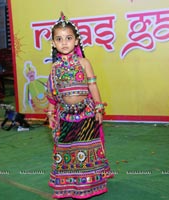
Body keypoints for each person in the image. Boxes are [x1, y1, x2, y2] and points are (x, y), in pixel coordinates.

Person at [46, 12, 114, 199]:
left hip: (86, 114)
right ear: (53, 43)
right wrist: (51, 113)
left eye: (68, 38)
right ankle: (69, 184)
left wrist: (99, 109)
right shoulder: (54, 68)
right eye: (59, 39)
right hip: (65, 116)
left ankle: (89, 185)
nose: (64, 42)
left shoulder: (84, 62)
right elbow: (52, 92)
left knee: (86, 149)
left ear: (76, 41)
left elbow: (92, 85)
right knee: (68, 150)